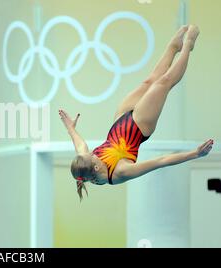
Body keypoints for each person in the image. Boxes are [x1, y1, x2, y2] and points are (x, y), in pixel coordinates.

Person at [59, 25, 214, 200]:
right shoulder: (120, 172)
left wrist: (71, 129)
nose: (91, 152)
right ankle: (188, 45)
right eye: (92, 156)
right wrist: (195, 154)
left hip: (119, 120)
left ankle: (174, 47)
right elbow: (159, 162)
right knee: (163, 83)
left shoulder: (86, 165)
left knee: (149, 82)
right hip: (139, 127)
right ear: (95, 167)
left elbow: (81, 147)